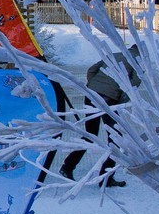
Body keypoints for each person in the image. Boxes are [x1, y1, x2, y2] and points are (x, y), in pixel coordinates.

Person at [57, 49, 134, 186]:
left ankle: (67, 167)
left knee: (90, 134)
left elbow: (92, 69)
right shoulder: (137, 63)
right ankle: (106, 178)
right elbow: (131, 88)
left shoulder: (115, 55)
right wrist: (118, 102)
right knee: (116, 138)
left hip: (91, 94)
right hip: (108, 99)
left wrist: (93, 85)